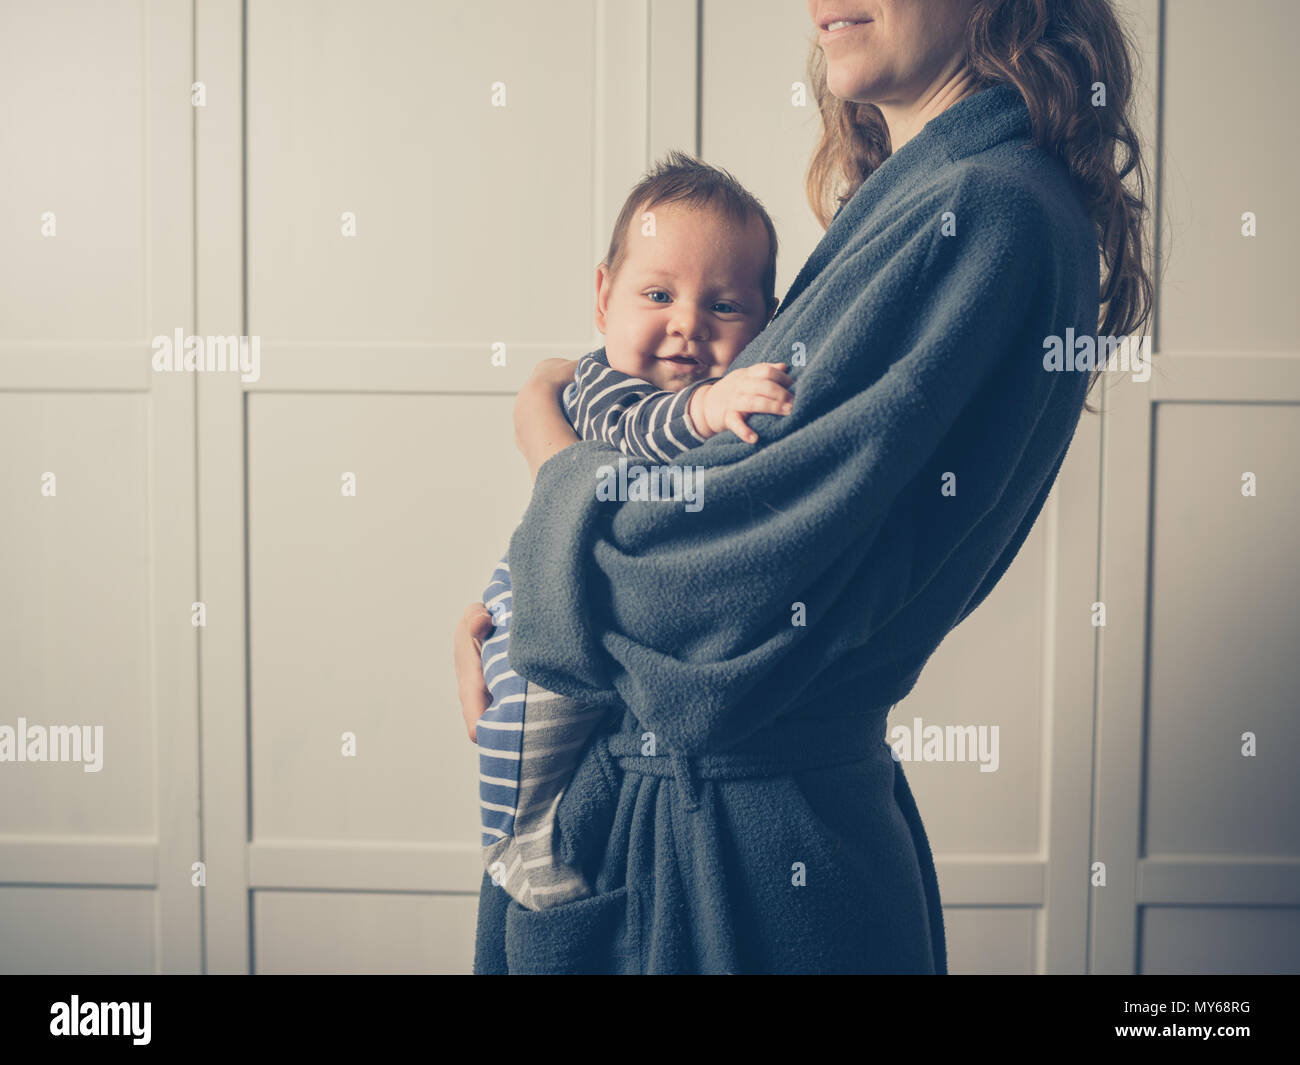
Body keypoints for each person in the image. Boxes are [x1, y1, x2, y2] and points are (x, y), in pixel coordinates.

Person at [453, 0, 1153, 974]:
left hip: (738, 864)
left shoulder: (983, 210)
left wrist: (547, 460)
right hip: (705, 828)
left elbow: (693, 599)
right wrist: (527, 619)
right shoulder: (923, 202)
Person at [477, 152, 794, 911]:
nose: (686, 324)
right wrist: (707, 410)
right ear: (602, 295)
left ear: (768, 321)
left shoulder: (729, 401)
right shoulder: (599, 384)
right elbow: (639, 432)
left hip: (595, 615)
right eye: (657, 294)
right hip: (538, 603)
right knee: (531, 725)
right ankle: (514, 842)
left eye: (724, 307)